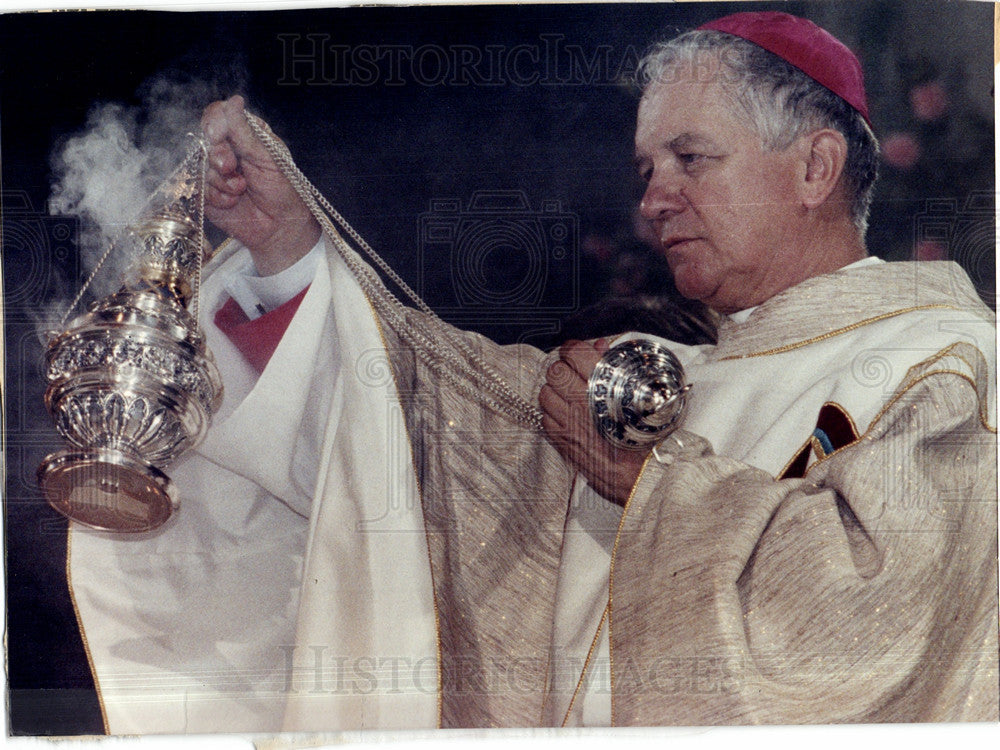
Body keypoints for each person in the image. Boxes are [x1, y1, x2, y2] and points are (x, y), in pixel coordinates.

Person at [64, 11, 997, 732]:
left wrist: (652, 485)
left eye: (689, 158)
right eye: (644, 170)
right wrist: (289, 252)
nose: (654, 198)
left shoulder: (944, 365)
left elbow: (877, 622)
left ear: (815, 168)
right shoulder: (675, 370)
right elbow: (438, 425)